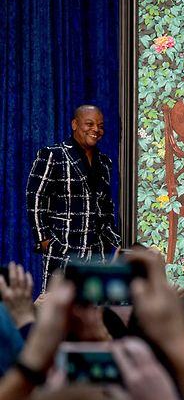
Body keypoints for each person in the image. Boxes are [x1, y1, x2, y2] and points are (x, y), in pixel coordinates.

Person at [26, 105, 121, 291]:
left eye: (100, 126)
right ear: (75, 124)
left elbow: (106, 206)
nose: (96, 130)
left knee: (95, 312)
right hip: (63, 248)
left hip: (97, 253)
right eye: (90, 124)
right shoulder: (53, 154)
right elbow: (35, 196)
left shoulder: (105, 162)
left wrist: (115, 241)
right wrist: (44, 239)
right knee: (58, 311)